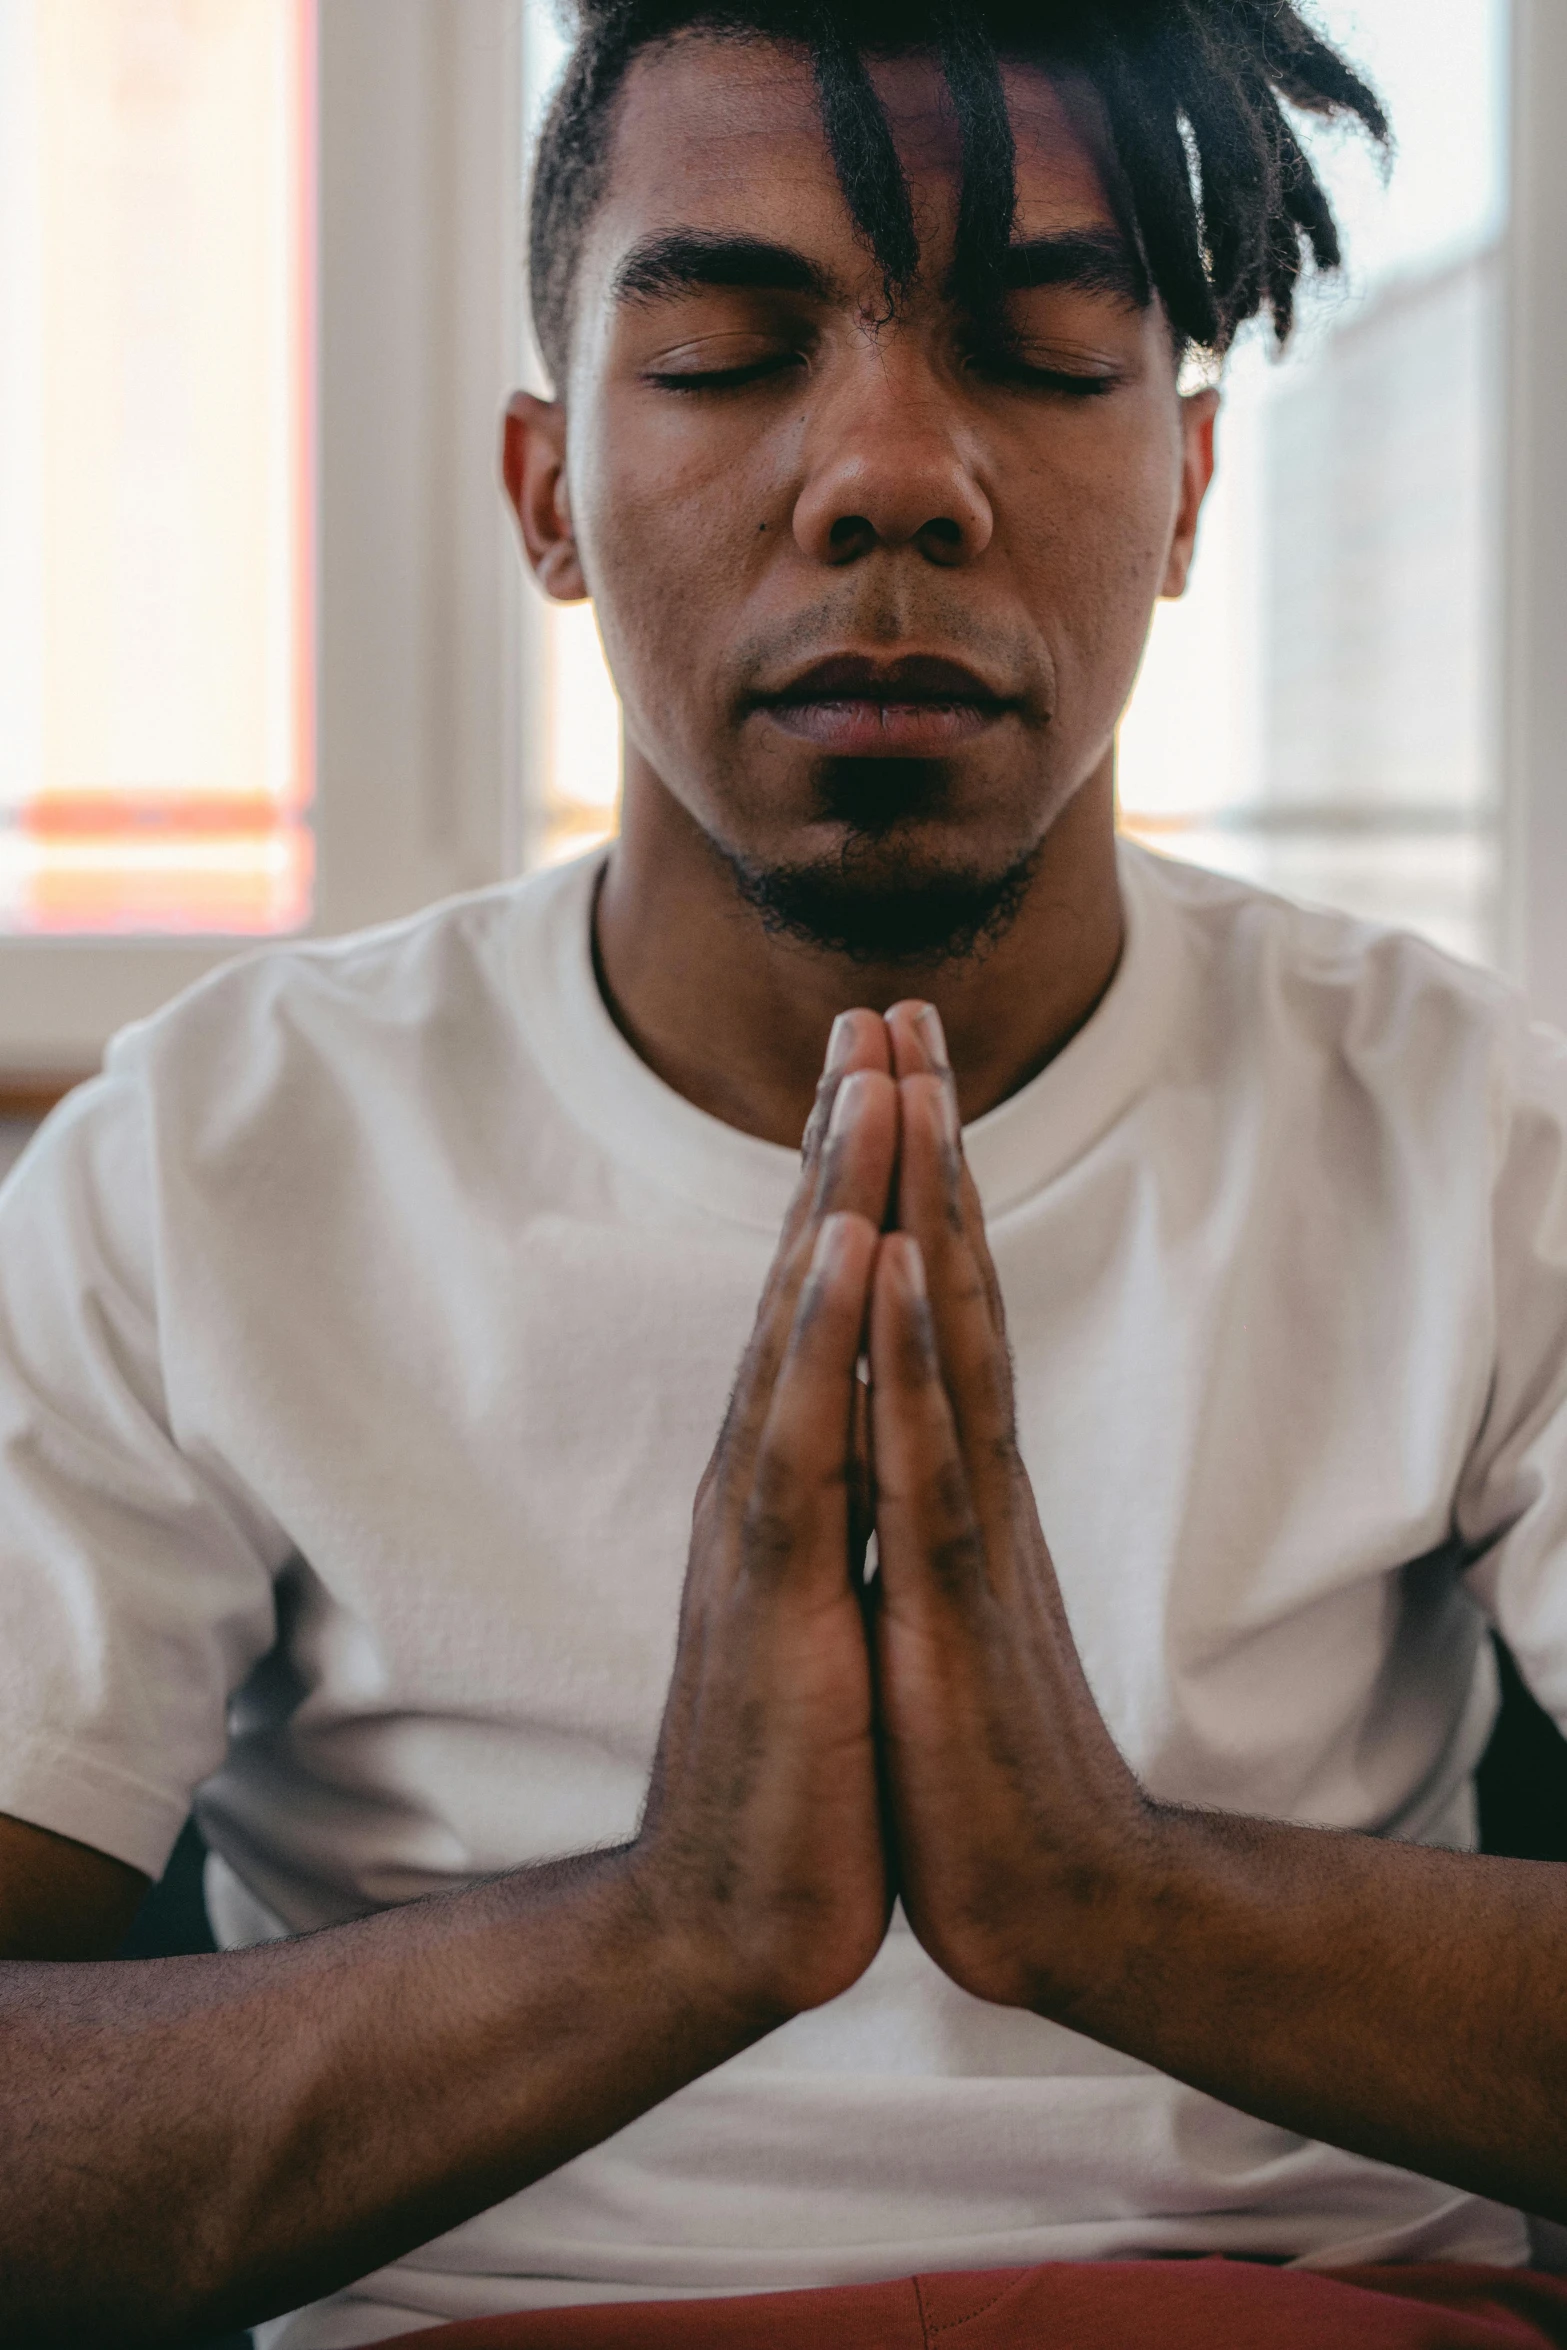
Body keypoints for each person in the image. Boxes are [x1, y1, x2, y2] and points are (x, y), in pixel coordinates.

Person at [3, 3, 1566, 2345]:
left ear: (1194, 490)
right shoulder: (211, 1155)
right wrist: (680, 1922)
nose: (889, 475)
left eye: (1044, 356)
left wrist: (1102, 1890)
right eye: (730, 354)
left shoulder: (1471, 1122)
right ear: (547, 497)